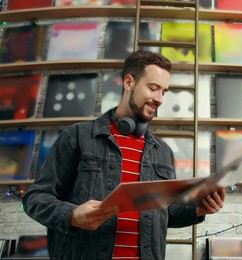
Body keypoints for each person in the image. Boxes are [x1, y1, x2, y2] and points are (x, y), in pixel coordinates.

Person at [23, 50, 225, 260]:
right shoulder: (77, 136)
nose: (159, 99)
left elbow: (162, 214)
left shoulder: (162, 151)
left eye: (164, 92)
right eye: (153, 88)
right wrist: (72, 216)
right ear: (129, 82)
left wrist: (198, 209)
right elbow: (35, 198)